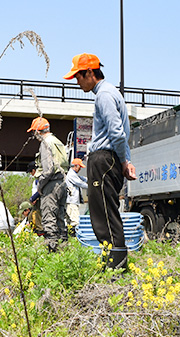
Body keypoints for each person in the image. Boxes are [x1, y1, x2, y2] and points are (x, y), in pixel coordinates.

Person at [64, 53, 136, 270]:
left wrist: (124, 161)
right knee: (104, 212)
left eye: (78, 77)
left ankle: (116, 267)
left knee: (103, 214)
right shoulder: (110, 93)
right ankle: (112, 263)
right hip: (108, 159)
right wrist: (126, 160)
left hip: (104, 160)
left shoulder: (104, 95)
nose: (77, 83)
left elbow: (117, 132)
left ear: (89, 73)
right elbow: (122, 132)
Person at [27, 117, 69, 251]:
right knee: (60, 218)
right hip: (62, 183)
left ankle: (52, 251)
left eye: (34, 132)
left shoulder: (45, 143)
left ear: (38, 131)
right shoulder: (58, 142)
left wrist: (40, 187)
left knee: (49, 219)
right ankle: (64, 250)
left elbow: (48, 169)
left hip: (51, 185)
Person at [65, 157, 89, 230]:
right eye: (80, 167)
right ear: (76, 166)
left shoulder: (74, 174)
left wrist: (90, 179)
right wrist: (92, 187)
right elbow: (80, 183)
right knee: (75, 220)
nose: (80, 169)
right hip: (72, 201)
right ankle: (75, 237)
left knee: (70, 220)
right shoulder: (71, 174)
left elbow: (82, 178)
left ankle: (70, 236)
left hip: (72, 201)